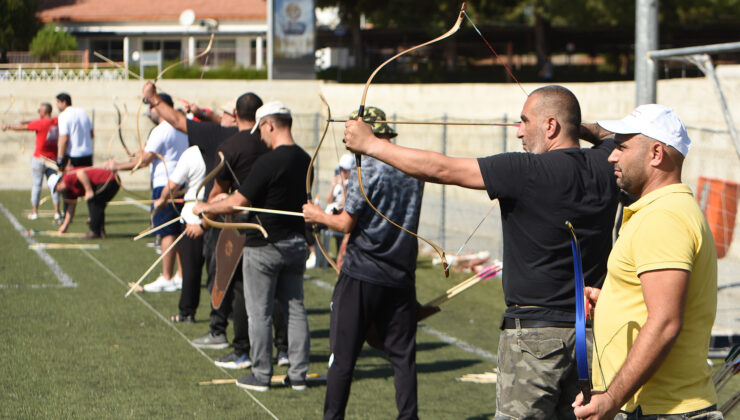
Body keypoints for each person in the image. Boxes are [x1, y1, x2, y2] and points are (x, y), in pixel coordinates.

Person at [343, 85, 619, 419]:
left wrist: (371, 145)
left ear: (550, 127)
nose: (518, 131)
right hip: (592, 337)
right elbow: (611, 135)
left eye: (524, 121)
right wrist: (575, 125)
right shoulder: (607, 163)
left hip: (534, 336)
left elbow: (441, 168)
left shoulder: (526, 170)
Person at [572, 105, 722, 420]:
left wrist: (611, 398)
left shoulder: (664, 217)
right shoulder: (664, 210)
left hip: (663, 411)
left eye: (622, 147)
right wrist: (613, 301)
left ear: (655, 153)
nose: (612, 156)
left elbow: (666, 321)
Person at [303, 106, 423, 419]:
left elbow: (345, 224)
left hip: (362, 274)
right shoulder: (412, 168)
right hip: (401, 275)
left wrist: (317, 215)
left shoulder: (366, 167)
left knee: (342, 357)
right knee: (403, 356)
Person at [192, 101, 311, 392]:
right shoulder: (305, 158)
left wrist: (204, 207)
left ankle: (261, 373)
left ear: (270, 124)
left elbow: (239, 201)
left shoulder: (268, 162)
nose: (260, 137)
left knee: (259, 313)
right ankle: (298, 375)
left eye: (262, 130)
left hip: (264, 245)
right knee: (295, 308)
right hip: (295, 243)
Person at [105, 92, 188, 293]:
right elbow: (155, 152)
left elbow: (145, 161)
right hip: (182, 183)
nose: (150, 111)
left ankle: (167, 277)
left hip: (164, 184)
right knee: (179, 230)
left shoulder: (162, 130)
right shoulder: (183, 126)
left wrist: (118, 166)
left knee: (167, 231)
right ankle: (180, 276)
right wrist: (140, 153)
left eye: (152, 106)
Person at [152, 145, 206, 323]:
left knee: (190, 268)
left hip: (194, 216)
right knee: (215, 269)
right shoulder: (220, 147)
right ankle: (222, 315)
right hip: (215, 216)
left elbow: (173, 184)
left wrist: (162, 199)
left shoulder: (192, 153)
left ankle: (187, 312)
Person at [2, 102, 62, 222]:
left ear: (44, 112)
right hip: (52, 160)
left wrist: (7, 126)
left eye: (39, 111)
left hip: (39, 159)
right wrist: (26, 121)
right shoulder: (56, 121)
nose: (38, 113)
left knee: (37, 186)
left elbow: (23, 128)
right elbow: (38, 121)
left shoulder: (40, 123)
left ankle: (34, 211)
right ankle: (57, 212)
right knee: (54, 185)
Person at [48, 167, 119, 238]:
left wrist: (88, 190)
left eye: (56, 189)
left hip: (109, 179)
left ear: (58, 183)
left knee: (94, 201)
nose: (57, 192)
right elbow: (70, 208)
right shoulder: (68, 192)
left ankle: (94, 232)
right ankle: (100, 231)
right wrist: (65, 226)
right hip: (108, 181)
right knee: (98, 204)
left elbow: (80, 173)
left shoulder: (67, 178)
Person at [55, 92, 94, 170]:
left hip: (73, 156)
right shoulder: (83, 112)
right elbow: (92, 134)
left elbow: (64, 138)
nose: (57, 105)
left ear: (64, 102)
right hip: (88, 154)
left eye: (58, 102)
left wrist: (60, 158)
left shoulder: (64, 115)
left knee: (72, 180)